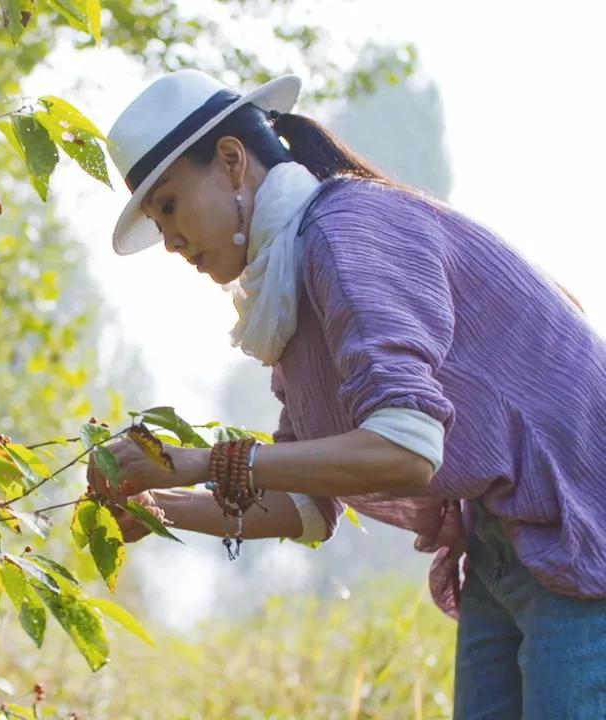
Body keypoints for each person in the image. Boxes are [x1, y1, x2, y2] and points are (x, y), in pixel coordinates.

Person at [86, 69, 606, 719]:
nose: (168, 241)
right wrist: (160, 505)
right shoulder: (288, 290)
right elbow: (303, 507)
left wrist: (195, 461)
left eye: (167, 205)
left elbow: (404, 449)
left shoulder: (346, 234)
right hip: (505, 533)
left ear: (230, 161)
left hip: (585, 518)